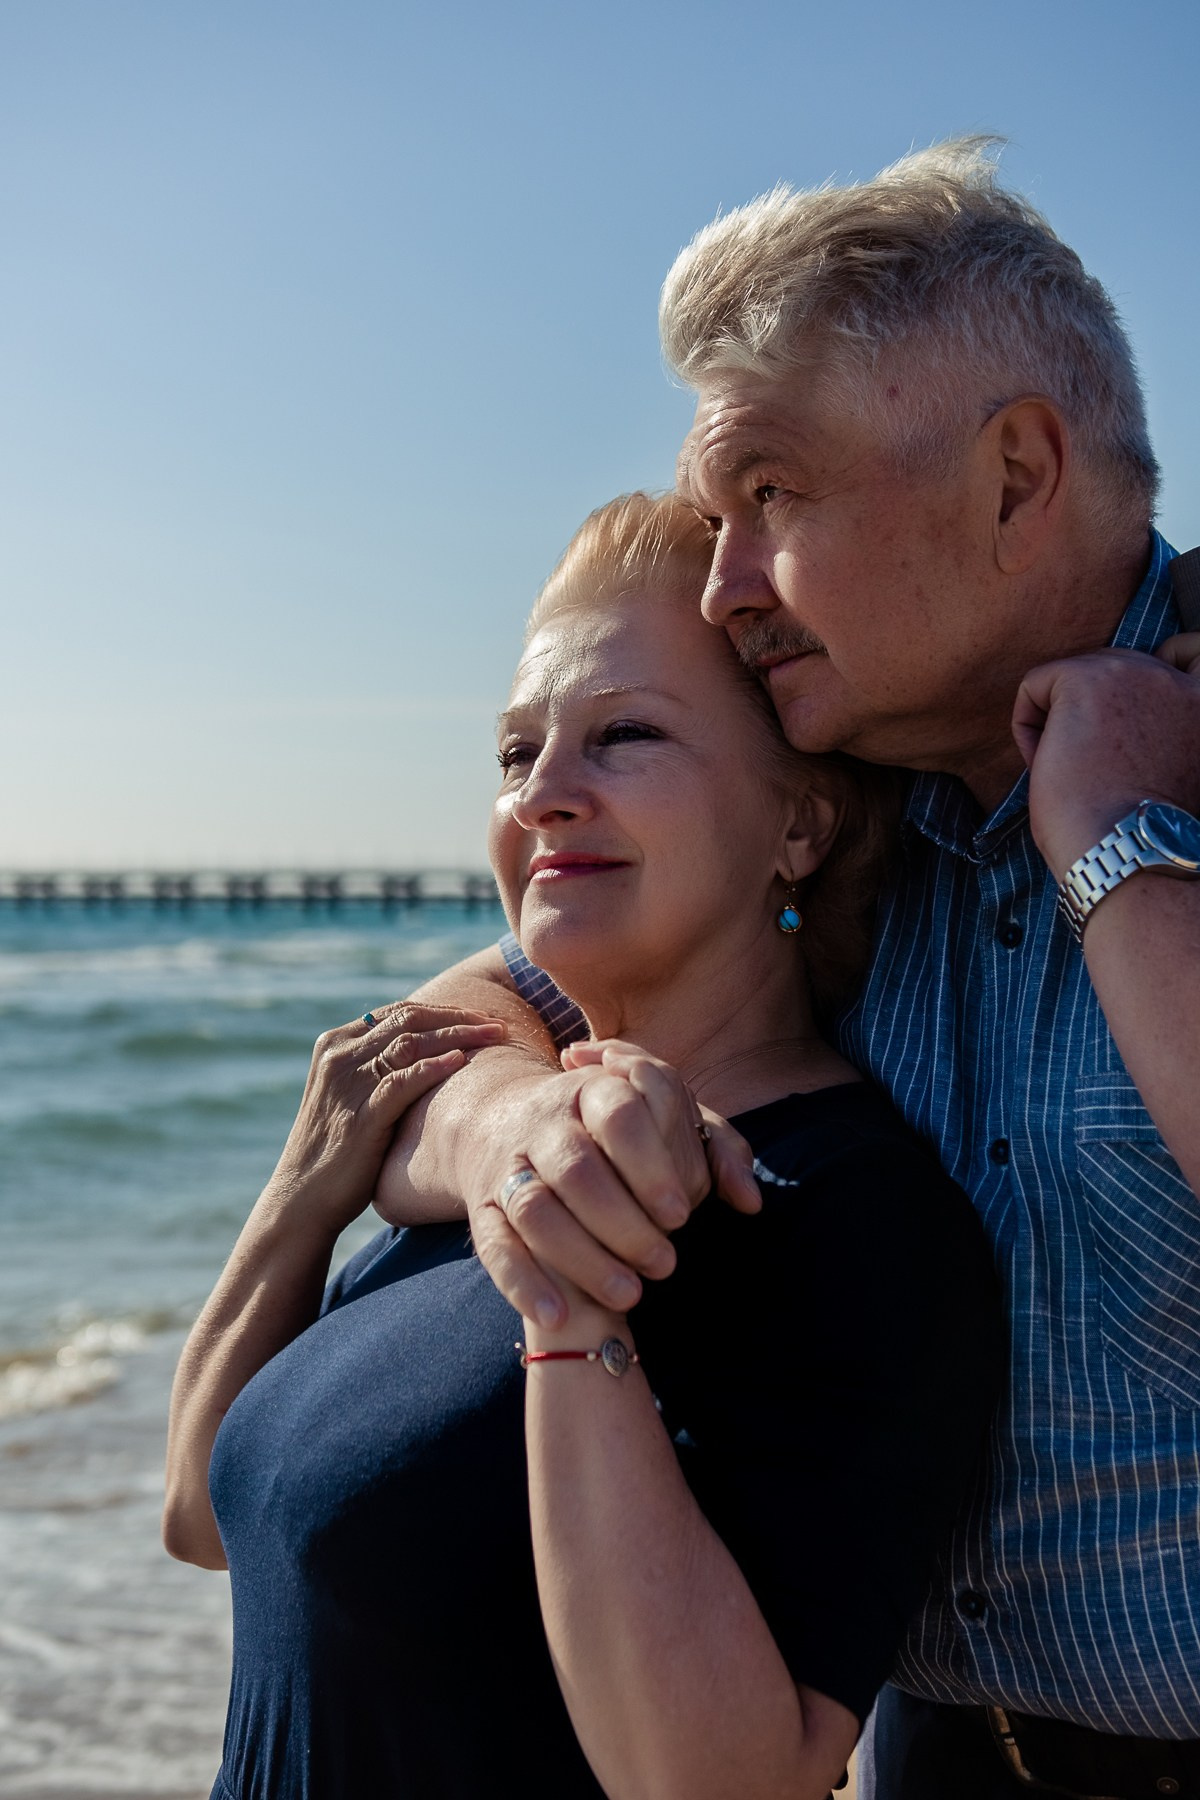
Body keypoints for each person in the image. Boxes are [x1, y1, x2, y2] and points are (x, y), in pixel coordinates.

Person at [374, 141, 1200, 1798]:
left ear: (1019, 475)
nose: (726, 583)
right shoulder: (864, 800)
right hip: (929, 1748)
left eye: (771, 500)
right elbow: (467, 1006)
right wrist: (520, 1129)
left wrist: (1119, 839)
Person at [164, 493, 999, 1800]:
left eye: (624, 735)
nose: (544, 796)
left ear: (801, 825)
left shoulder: (852, 1220)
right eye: (514, 753)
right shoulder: (492, 1135)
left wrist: (570, 1306)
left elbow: (720, 1778)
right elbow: (208, 1517)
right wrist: (306, 1188)